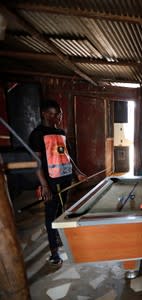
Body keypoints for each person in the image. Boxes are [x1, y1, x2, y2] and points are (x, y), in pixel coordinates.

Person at [29, 100, 86, 266]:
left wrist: (77, 172)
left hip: (65, 178)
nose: (58, 117)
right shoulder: (37, 134)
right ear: (45, 114)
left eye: (59, 114)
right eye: (54, 114)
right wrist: (44, 185)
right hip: (51, 181)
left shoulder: (61, 132)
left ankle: (59, 238)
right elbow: (36, 162)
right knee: (50, 214)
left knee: (62, 210)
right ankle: (54, 252)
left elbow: (67, 156)